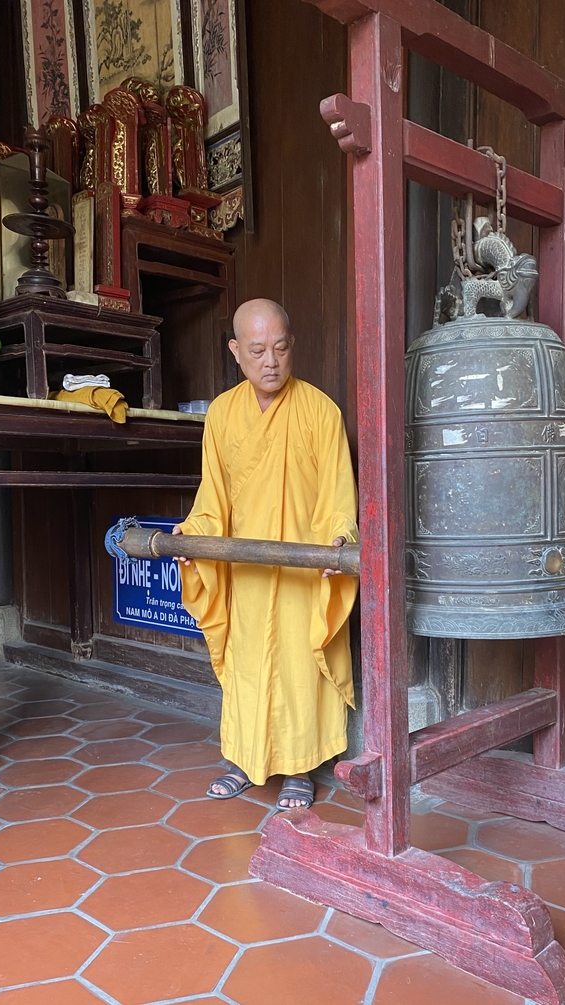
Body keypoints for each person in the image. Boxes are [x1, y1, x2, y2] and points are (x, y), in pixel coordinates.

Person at [173, 298, 358, 810]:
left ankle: (300, 767)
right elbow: (212, 497)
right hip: (245, 570)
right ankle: (241, 759)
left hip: (304, 567)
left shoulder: (320, 411)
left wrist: (338, 541)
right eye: (257, 351)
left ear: (292, 345)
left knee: (299, 665)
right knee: (248, 664)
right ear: (236, 351)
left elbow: (338, 497)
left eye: (280, 348)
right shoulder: (222, 413)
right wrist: (193, 536)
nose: (270, 362)